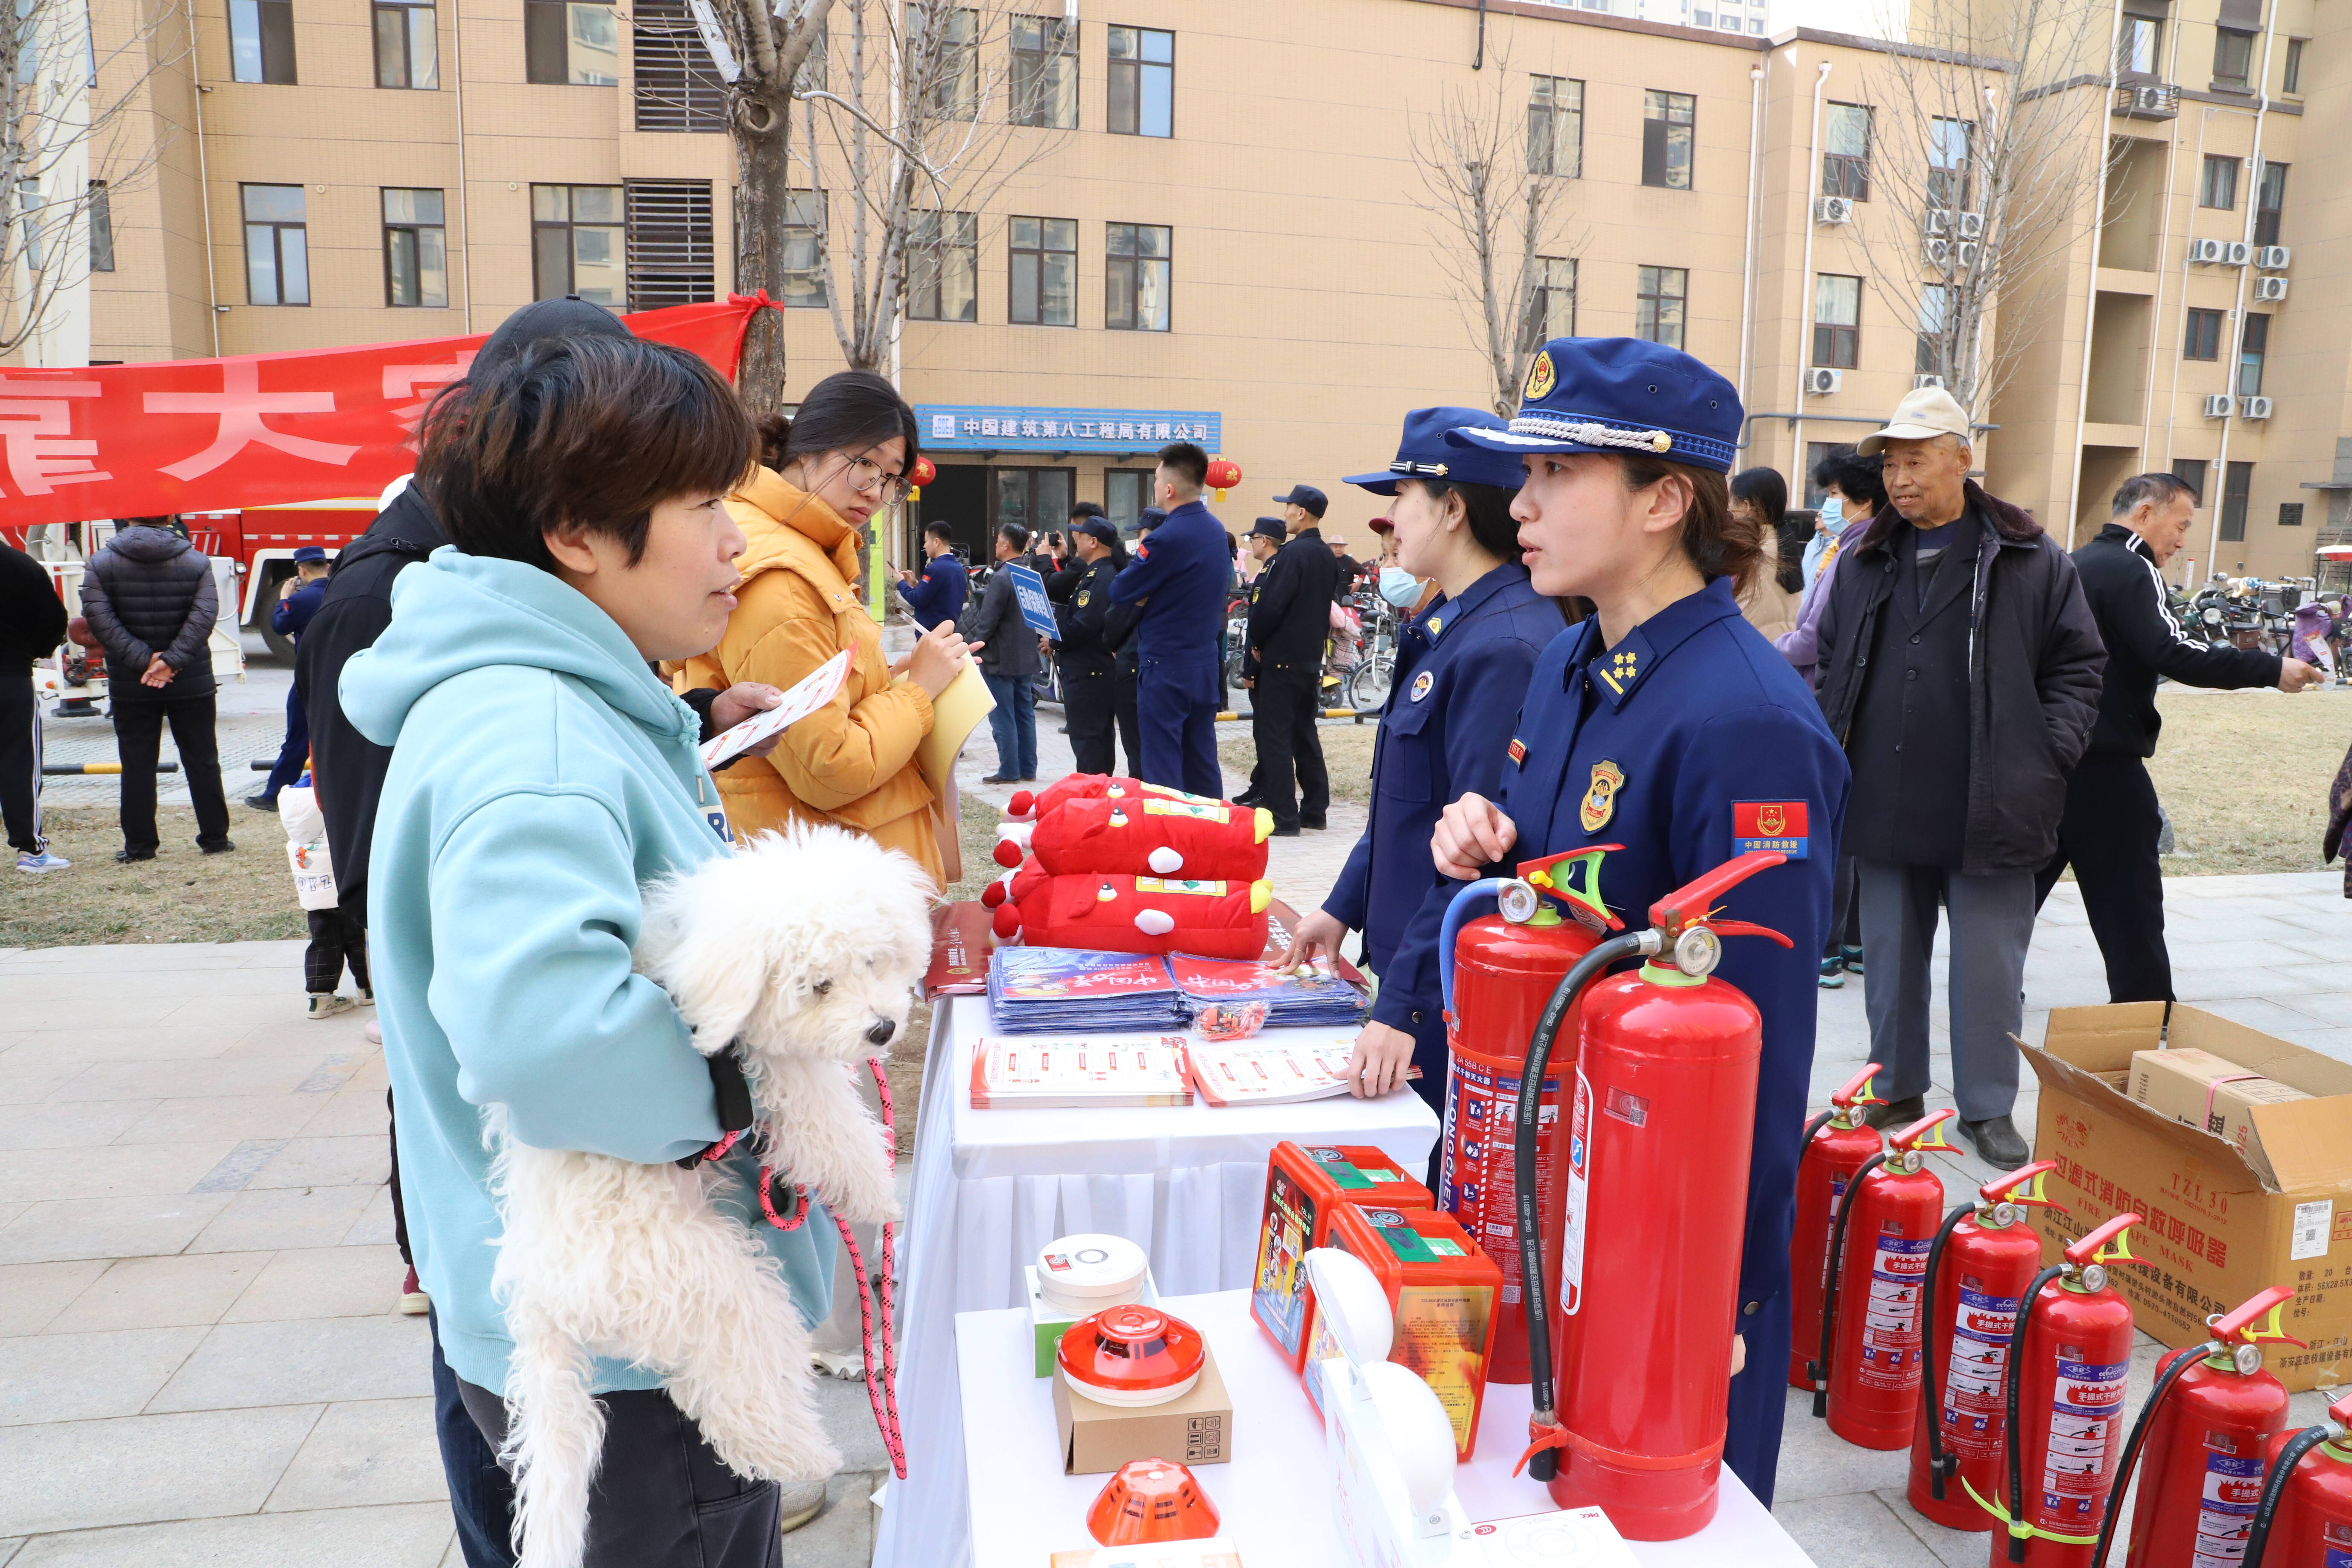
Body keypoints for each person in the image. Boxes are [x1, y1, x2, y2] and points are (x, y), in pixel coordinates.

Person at [341, 333, 840, 1568]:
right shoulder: (539, 735)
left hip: (586, 1310)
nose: (734, 543)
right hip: (644, 1340)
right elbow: (551, 1040)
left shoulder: (540, 698)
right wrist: (764, 1084)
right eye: (703, 505)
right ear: (575, 534)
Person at [1428, 336, 1848, 1507]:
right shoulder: (1571, 658)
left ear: (1664, 501)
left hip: (1655, 1241)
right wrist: (1481, 836)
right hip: (1541, 1176)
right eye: (1528, 474)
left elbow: (1758, 1050)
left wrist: (1711, 1295)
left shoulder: (1748, 722)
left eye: (1558, 474)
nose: (1520, 504)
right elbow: (1564, 880)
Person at [1813, 386, 2105, 1169]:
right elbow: (1833, 655)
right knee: (1888, 955)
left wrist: (2047, 750)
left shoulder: (2029, 556)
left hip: (1994, 793)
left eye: (1915, 461)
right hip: (1883, 788)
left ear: (1962, 459)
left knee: (1989, 964)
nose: (1899, 479)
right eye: (1891, 465)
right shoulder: (1865, 557)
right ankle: (1895, 1085)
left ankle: (1987, 1105)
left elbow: (2079, 665)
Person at [1290, 406, 1561, 1141]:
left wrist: (1404, 1005)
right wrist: (1342, 905)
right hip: (1416, 967)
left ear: (1453, 508)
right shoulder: (1452, 626)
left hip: (1448, 988)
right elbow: (1406, 805)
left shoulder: (1504, 646)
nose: (1390, 520)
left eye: (1402, 495)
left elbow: (1476, 857)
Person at [671, 370, 973, 889]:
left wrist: (895, 677)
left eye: (890, 478)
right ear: (809, 447)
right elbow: (829, 767)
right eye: (865, 465)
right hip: (821, 893)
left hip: (823, 875)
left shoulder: (802, 547)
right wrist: (918, 693)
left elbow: (824, 694)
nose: (876, 492)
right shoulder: (785, 578)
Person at [2042, 473, 2321, 1002]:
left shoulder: (2069, 564)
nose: (2182, 539)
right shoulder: (2133, 568)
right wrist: (2270, 668)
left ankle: (1988, 999)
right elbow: (2173, 651)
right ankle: (2147, 1012)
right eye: (2182, 524)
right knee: (2130, 901)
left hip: (2046, 758)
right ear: (2146, 513)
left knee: (2014, 894)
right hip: (2104, 765)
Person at [1779, 446, 1884, 991]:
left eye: (1836, 495)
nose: (1828, 504)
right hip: (1854, 701)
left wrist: (1768, 648)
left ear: (1864, 500)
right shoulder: (1854, 547)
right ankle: (1857, 943)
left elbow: (1814, 636)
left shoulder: (1854, 553)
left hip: (1829, 699)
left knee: (1833, 826)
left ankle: (1827, 946)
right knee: (1858, 823)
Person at [77, 515, 233, 862]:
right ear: (170, 518)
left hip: (131, 680)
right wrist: (171, 661)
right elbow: (204, 616)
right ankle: (215, 839)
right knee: (203, 759)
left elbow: (100, 620)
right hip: (190, 677)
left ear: (128, 518)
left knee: (136, 763)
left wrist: (145, 660)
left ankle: (140, 846)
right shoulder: (196, 560)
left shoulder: (101, 563)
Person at [1111, 443, 1229, 795]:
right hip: (1204, 663)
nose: (1156, 486)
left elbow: (1121, 589)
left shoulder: (1166, 538)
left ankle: (1170, 830)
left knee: (1162, 766)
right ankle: (1210, 826)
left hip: (1166, 666)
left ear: (1170, 489)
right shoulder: (1215, 529)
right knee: (1202, 761)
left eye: (1157, 480)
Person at [1243, 499, 1341, 835]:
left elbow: (1272, 606)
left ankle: (1283, 814)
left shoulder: (1292, 554)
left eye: (1289, 508)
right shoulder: (1326, 554)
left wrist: (1257, 640)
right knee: (1305, 735)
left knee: (1276, 738)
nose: (1285, 514)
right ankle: (1315, 810)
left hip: (1281, 659)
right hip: (1310, 659)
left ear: (1301, 513)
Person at [247, 547, 334, 813]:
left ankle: (275, 794)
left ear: (301, 571)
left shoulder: (300, 600)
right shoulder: (342, 593)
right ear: (327, 567)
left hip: (309, 679)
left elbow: (279, 626)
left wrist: (283, 599)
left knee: (297, 738)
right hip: (339, 677)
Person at [3, 539, 69, 873]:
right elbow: (53, 620)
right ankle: (31, 849)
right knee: (19, 762)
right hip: (10, 674)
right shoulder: (20, 565)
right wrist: (36, 650)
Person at [967, 522, 1044, 784]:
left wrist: (975, 647)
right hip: (1026, 656)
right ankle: (1028, 769)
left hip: (1000, 658)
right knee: (1025, 714)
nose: (996, 544)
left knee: (1003, 717)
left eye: (999, 540)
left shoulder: (1002, 578)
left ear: (1007, 545)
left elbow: (988, 621)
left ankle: (1009, 770)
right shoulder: (1031, 575)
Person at [1050, 518, 1126, 774]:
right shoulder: (1096, 573)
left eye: (1080, 536)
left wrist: (1054, 639)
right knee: (1094, 742)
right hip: (1091, 671)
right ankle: (1099, 791)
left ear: (1093, 542)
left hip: (1089, 674)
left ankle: (1093, 794)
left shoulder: (1101, 577)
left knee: (1090, 744)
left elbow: (1084, 625)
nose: (1076, 540)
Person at [1107, 508, 1162, 777]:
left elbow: (1117, 616)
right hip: (1166, 666)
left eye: (1140, 533)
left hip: (1134, 662)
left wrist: (1112, 644)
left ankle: (1143, 793)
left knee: (1137, 744)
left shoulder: (1144, 570)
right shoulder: (1183, 567)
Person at [1730, 469, 1798, 642]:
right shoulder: (1784, 541)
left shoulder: (1754, 551)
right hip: (1781, 644)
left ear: (1746, 507)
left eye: (1731, 501)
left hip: (1751, 643)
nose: (1729, 508)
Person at [896, 520, 968, 632]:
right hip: (951, 631)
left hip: (932, 633)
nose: (924, 546)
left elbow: (917, 600)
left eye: (926, 542)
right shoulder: (959, 568)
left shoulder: (935, 569)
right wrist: (916, 584)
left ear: (936, 542)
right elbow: (940, 596)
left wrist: (901, 583)